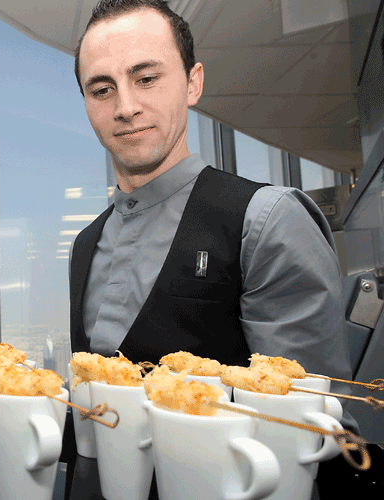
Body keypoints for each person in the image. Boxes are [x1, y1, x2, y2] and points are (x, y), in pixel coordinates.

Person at [68, 0, 356, 419]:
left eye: (146, 78)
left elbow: (313, 428)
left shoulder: (267, 221)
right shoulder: (85, 244)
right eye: (101, 89)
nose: (125, 107)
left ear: (192, 83)